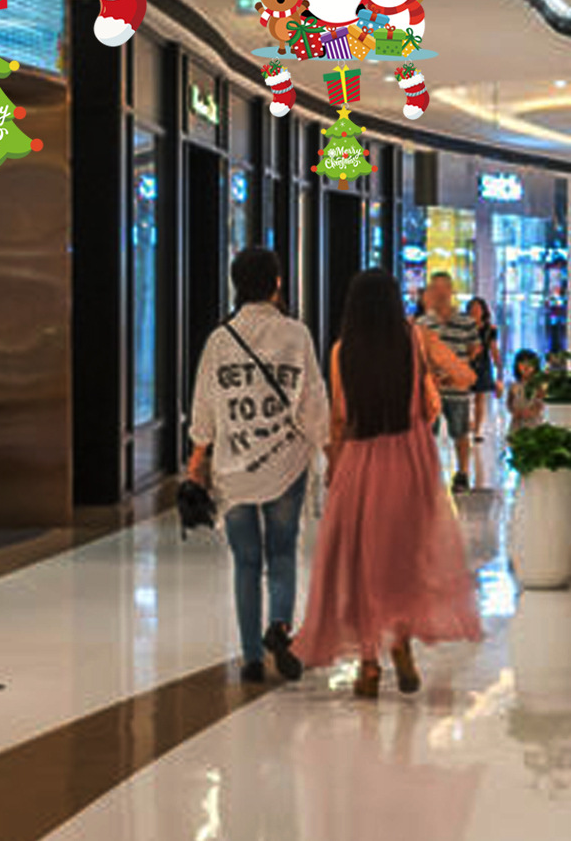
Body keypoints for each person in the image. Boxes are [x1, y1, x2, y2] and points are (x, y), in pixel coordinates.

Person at [294, 271, 484, 697]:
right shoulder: (415, 338)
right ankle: (401, 645)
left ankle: (368, 665)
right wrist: (432, 381)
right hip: (411, 461)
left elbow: (340, 417)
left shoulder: (342, 351)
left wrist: (335, 468)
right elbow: (466, 376)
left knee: (364, 565)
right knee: (405, 559)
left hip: (360, 463)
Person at [185, 247, 328, 684]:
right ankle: (279, 627)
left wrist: (198, 457)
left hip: (234, 469)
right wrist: (328, 445)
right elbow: (312, 400)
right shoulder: (296, 334)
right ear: (277, 283)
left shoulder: (220, 339)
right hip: (286, 463)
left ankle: (250, 658)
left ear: (236, 284)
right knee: (282, 552)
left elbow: (204, 406)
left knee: (246, 561)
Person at [416, 273, 483, 492]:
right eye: (435, 288)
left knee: (460, 432)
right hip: (431, 388)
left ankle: (462, 473)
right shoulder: (423, 323)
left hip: (457, 388)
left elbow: (475, 349)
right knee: (427, 434)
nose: (440, 293)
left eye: (444, 288)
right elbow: (419, 354)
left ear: (451, 290)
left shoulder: (466, 322)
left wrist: (458, 369)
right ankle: (427, 475)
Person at [465, 298, 502, 441]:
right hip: (466, 364)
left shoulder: (489, 329)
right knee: (464, 398)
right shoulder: (464, 327)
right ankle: (467, 425)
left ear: (483, 311)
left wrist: (498, 366)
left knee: (479, 399)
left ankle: (477, 430)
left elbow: (493, 349)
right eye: (472, 308)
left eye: (478, 308)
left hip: (482, 365)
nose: (475, 311)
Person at [508, 349, 545, 428]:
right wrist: (513, 411)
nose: (526, 367)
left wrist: (532, 412)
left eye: (530, 364)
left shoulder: (537, 386)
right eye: (522, 364)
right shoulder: (514, 385)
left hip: (534, 423)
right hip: (517, 422)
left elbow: (541, 403)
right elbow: (509, 401)